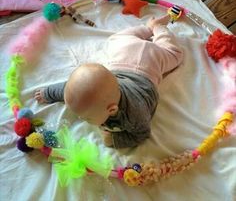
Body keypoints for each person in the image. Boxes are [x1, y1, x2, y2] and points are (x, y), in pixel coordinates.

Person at [34, 15, 183, 148]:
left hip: (150, 62)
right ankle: (147, 28)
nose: (81, 118)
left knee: (174, 54)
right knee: (116, 39)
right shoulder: (91, 95)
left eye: (87, 117)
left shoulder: (135, 114)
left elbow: (141, 134)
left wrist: (114, 139)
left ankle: (157, 28)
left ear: (111, 110)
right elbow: (69, 90)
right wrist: (49, 93)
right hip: (124, 52)